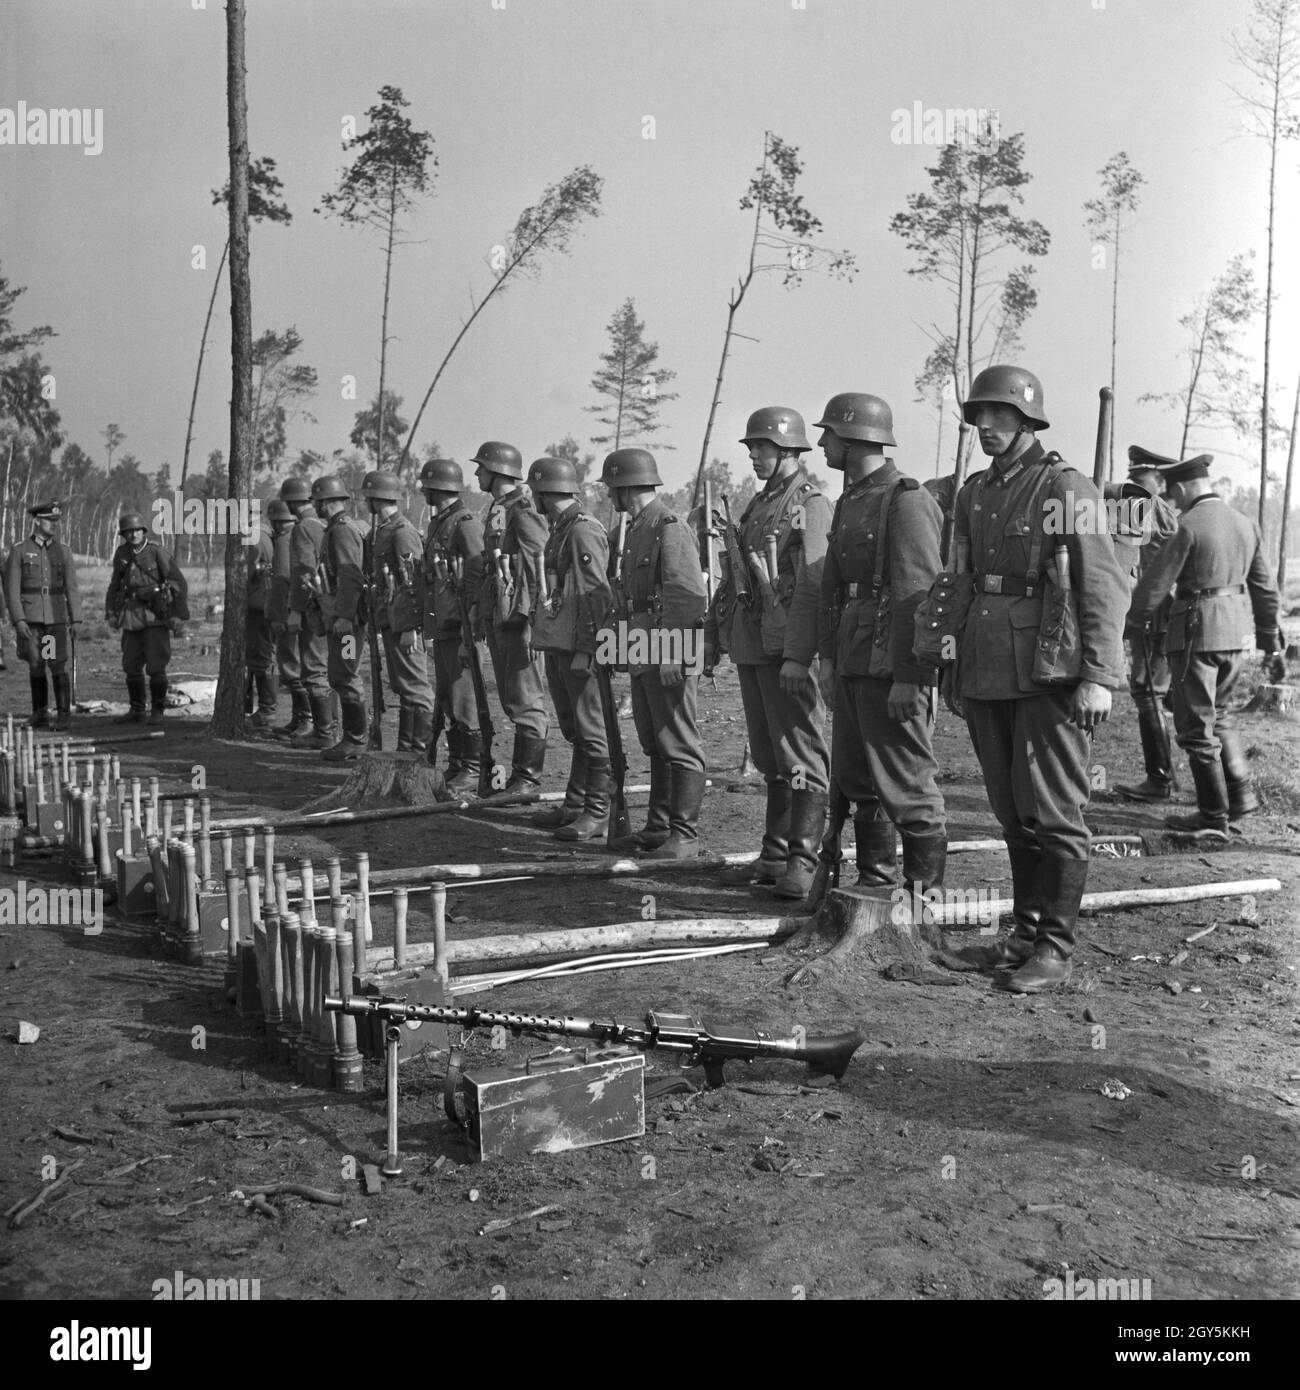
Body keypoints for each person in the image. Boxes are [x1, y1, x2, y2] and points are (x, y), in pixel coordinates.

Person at [948, 365, 1128, 993]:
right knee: (1010, 812)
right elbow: (963, 583)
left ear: (1027, 419)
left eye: (999, 416)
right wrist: (952, 659)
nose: (986, 427)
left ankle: (1054, 947)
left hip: (1050, 670)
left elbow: (1103, 584)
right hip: (987, 666)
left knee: (1056, 812)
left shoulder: (1063, 486)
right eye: (980, 417)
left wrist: (1099, 676)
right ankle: (1024, 935)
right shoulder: (976, 492)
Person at [811, 394, 947, 904]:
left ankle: (921, 906)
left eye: (828, 435)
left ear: (853, 438)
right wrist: (828, 660)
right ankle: (875, 883)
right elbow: (831, 590)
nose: (822, 442)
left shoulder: (905, 500)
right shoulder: (850, 499)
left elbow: (920, 594)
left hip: (891, 662)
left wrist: (911, 676)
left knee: (907, 781)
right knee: (855, 777)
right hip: (853, 658)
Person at [703, 406, 832, 899]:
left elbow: (816, 584)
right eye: (751, 448)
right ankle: (775, 854)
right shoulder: (760, 505)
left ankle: (803, 859)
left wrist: (803, 653)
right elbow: (736, 575)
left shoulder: (810, 504)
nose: (753, 455)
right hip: (754, 645)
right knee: (770, 755)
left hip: (789, 649)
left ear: (787, 449)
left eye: (760, 447)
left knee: (801, 753)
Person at [1128, 453, 1282, 837]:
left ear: (1181, 487)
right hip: (1235, 632)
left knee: (1196, 727)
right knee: (1223, 713)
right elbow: (1265, 587)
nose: (1172, 500)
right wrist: (1268, 640)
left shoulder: (1189, 525)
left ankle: (1212, 816)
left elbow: (1155, 584)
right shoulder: (1246, 524)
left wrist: (1133, 623)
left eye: (1173, 493)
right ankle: (1241, 796)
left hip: (1196, 633)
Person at [603, 447, 707, 858]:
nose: (610, 495)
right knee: (653, 738)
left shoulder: (669, 527)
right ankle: (660, 826)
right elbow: (626, 599)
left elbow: (687, 596)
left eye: (612, 487)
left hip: (666, 646)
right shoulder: (635, 529)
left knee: (679, 739)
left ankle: (684, 837)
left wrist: (672, 654)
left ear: (624, 487)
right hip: (640, 643)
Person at [528, 456, 613, 840]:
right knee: (575, 727)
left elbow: (596, 596)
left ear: (544, 492)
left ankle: (598, 812)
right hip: (561, 645)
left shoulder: (581, 531)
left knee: (592, 729)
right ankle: (576, 804)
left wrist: (589, 649)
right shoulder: (562, 529)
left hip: (581, 649)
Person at [473, 440, 549, 791]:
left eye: (482, 468)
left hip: (519, 618)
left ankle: (527, 778)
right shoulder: (498, 508)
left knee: (525, 698)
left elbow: (539, 566)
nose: (476, 473)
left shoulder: (522, 508)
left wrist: (531, 617)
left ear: (497, 471)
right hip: (500, 614)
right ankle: (519, 775)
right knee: (510, 697)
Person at [1110, 446, 1181, 802]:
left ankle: (1160, 779)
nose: (1132, 485)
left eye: (1138, 479)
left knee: (1147, 689)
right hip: (1159, 611)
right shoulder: (1158, 508)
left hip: (1155, 614)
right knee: (1154, 692)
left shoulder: (1147, 507)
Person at [419, 458, 487, 794]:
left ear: (438, 488)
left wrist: (470, 628)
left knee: (464, 699)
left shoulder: (465, 523)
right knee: (447, 697)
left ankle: (472, 769)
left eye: (427, 486)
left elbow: (476, 576)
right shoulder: (440, 523)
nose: (423, 491)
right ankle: (457, 763)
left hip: (460, 625)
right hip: (442, 623)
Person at [364, 470, 435, 754]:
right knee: (404, 686)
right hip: (390, 619)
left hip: (404, 623)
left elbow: (412, 582)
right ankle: (406, 752)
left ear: (375, 497)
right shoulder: (383, 530)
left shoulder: (402, 532)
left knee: (417, 689)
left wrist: (410, 626)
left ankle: (417, 756)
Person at [105, 511, 188, 725]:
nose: (133, 535)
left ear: (143, 531)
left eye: (136, 530)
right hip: (131, 616)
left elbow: (179, 582)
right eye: (128, 532)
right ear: (123, 535)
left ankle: (158, 711)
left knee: (156, 666)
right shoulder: (121, 554)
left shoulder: (156, 552)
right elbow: (115, 586)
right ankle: (137, 709)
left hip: (155, 616)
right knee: (131, 664)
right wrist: (111, 613)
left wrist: (178, 615)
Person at [4, 500, 81, 730]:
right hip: (31, 619)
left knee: (56, 664)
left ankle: (63, 714)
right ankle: (40, 713)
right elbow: (11, 590)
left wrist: (75, 618)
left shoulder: (63, 551)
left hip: (54, 619)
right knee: (36, 664)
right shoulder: (20, 550)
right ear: (37, 521)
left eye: (56, 520)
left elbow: (72, 588)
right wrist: (18, 619)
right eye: (49, 520)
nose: (54, 524)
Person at [311, 475, 369, 762]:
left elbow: (350, 575)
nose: (315, 506)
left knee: (345, 674)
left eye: (317, 501)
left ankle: (356, 740)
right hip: (338, 616)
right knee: (339, 674)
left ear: (325, 502)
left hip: (347, 622)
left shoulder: (342, 531)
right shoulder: (334, 529)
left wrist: (345, 616)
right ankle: (352, 738)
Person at [279, 476, 334, 747]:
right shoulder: (325, 524)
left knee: (313, 669)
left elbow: (303, 572)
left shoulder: (302, 528)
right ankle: (328, 728)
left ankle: (323, 733)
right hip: (329, 607)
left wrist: (295, 611)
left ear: (290, 502)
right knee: (329, 668)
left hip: (313, 610)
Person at [263, 496, 299, 737]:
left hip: (286, 614)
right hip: (295, 612)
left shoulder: (285, 540)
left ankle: (305, 721)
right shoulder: (297, 535)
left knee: (291, 667)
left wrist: (276, 615)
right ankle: (300, 719)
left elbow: (281, 580)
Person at [244, 499, 278, 733]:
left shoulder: (256, 537)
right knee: (256, 657)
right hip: (258, 603)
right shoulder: (256, 535)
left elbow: (245, 573)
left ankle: (267, 710)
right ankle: (260, 709)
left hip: (259, 605)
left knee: (262, 657)